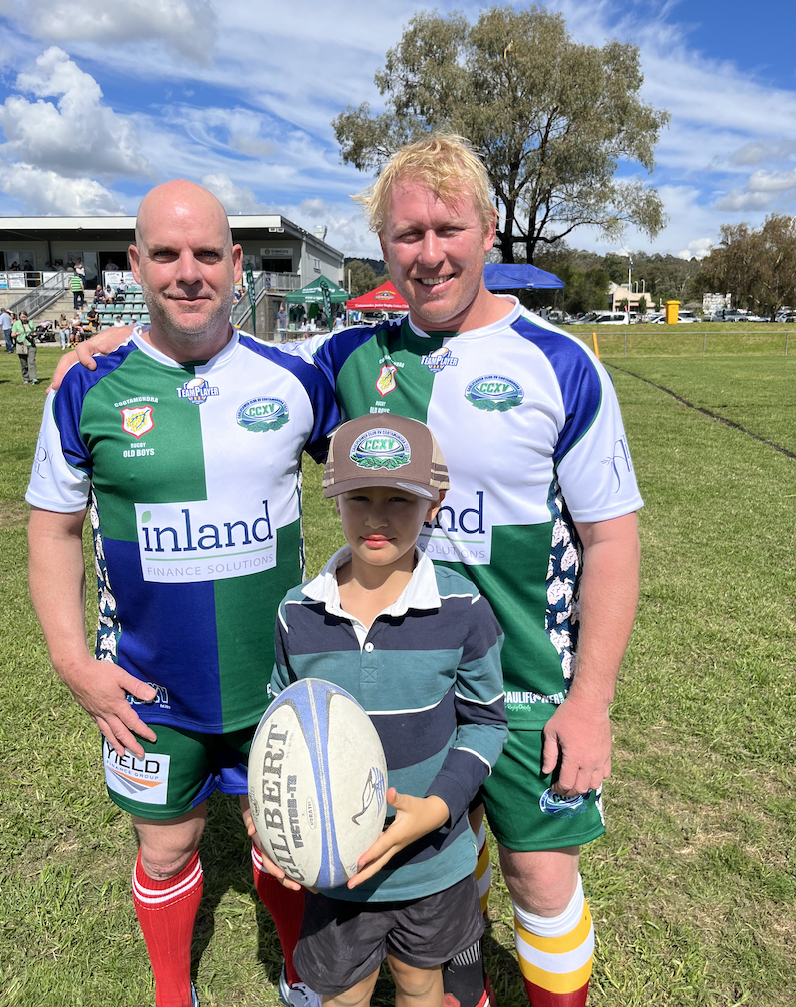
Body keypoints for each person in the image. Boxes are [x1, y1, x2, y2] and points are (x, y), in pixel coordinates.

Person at [58, 136, 643, 1007]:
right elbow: (222, 359)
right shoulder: (347, 359)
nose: (429, 253)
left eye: (449, 229)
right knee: (434, 855)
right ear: (383, 246)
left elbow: (613, 541)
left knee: (541, 877)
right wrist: (124, 340)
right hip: (391, 680)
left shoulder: (561, 364)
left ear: (489, 231)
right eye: (408, 234)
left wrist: (590, 702)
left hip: (524, 684)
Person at [26, 180, 340, 1007]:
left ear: (237, 265)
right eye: (166, 255)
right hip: (147, 688)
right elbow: (53, 531)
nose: (188, 272)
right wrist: (74, 665)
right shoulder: (86, 386)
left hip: (276, 678)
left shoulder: (295, 378)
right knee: (165, 853)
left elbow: (384, 465)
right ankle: (174, 992)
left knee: (285, 847)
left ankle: (301, 972)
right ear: (135, 266)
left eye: (206, 253)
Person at [268, 415, 507, 1007]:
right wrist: (271, 822)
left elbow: (486, 723)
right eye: (360, 498)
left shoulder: (462, 608)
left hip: (432, 862)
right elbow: (277, 727)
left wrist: (439, 807)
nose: (376, 518)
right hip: (336, 868)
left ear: (433, 505)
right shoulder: (298, 613)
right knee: (343, 993)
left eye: (399, 499)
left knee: (419, 980)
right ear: (335, 500)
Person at [11, 310, 38, 383]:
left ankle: (33, 378)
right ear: (19, 317)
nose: (23, 319)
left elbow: (34, 332)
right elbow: (12, 335)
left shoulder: (30, 323)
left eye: (25, 317)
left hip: (31, 345)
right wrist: (16, 334)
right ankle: (26, 378)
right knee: (24, 364)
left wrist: (33, 335)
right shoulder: (16, 324)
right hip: (21, 345)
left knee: (31, 361)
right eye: (22, 317)